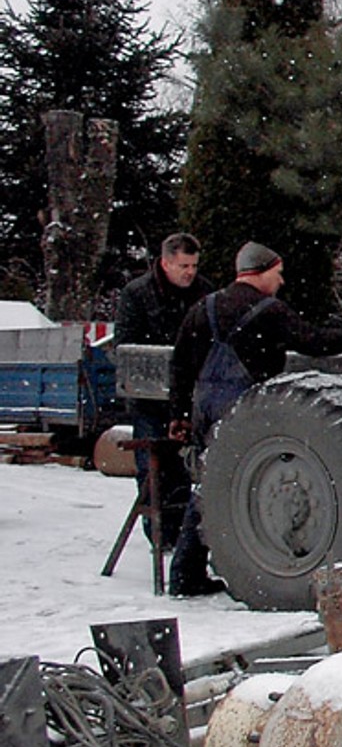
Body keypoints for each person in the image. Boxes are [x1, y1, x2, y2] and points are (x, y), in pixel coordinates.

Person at [164, 241, 342, 596]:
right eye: (278, 274)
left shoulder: (204, 307)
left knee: (209, 485)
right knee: (236, 488)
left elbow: (179, 364)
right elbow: (314, 342)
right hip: (245, 409)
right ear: (260, 272)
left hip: (207, 405)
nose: (281, 282)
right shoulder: (270, 311)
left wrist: (179, 414)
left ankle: (184, 572)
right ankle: (210, 565)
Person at [113, 233, 214, 552]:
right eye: (183, 265)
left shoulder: (204, 292)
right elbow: (126, 347)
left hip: (191, 396)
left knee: (191, 469)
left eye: (194, 265)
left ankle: (188, 535)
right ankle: (160, 535)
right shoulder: (137, 293)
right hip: (150, 400)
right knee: (153, 471)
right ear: (166, 262)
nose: (189, 272)